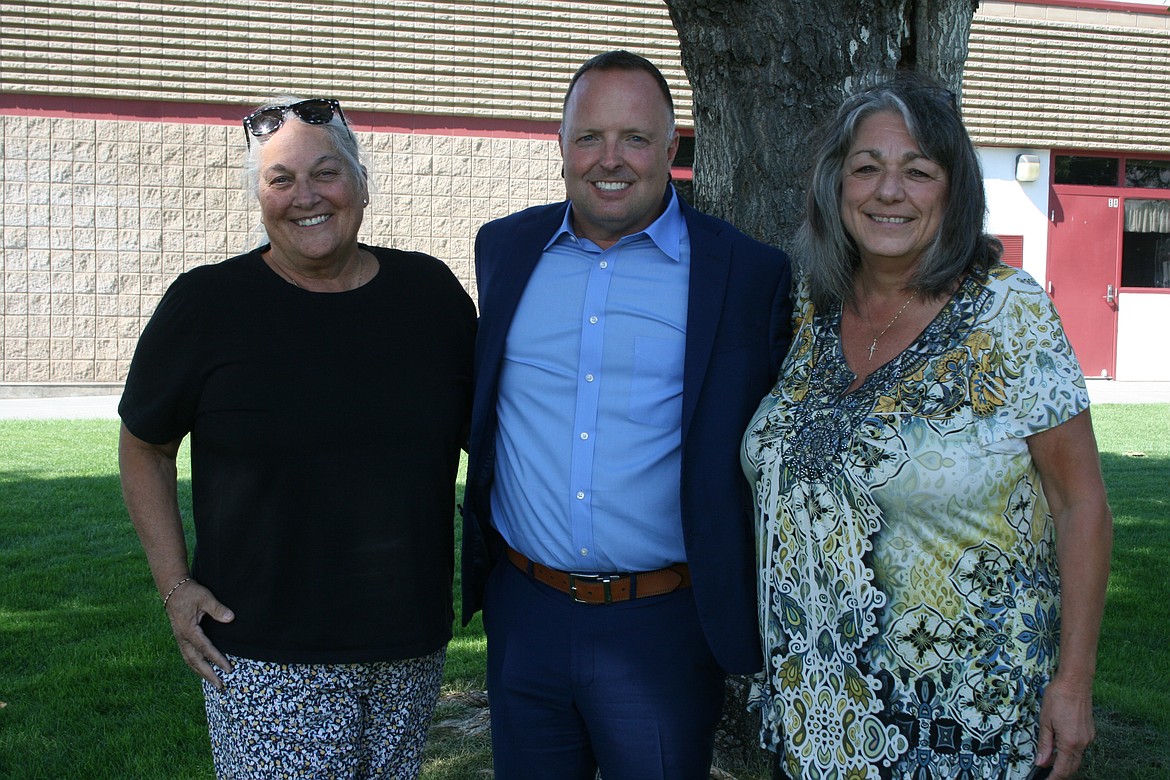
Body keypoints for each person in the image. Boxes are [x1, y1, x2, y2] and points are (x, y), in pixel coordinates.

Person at [741, 71, 1113, 780]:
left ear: (953, 191)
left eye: (918, 170)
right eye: (867, 168)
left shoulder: (1009, 314)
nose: (889, 191)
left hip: (969, 719)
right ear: (836, 186)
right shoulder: (808, 311)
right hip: (816, 710)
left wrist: (1074, 684)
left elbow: (1081, 502)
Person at [118, 96, 476, 778]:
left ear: (361, 183)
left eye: (326, 173)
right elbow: (145, 446)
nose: (305, 196)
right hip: (263, 658)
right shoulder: (206, 305)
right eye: (280, 180)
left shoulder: (429, 296)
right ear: (259, 197)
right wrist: (174, 585)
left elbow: (487, 436)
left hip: (407, 647)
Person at [459, 50, 793, 779]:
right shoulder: (506, 249)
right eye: (589, 137)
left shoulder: (744, 274)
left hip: (664, 626)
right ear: (562, 145)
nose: (610, 159)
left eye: (635, 139)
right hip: (526, 611)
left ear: (670, 149)